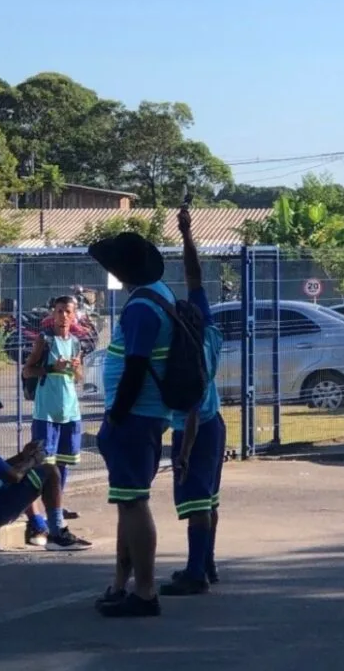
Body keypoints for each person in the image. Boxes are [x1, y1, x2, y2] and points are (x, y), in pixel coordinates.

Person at [88, 232, 176, 618]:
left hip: (136, 416)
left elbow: (137, 366)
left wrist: (117, 413)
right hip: (144, 415)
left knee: (134, 500)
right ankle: (123, 583)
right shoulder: (158, 293)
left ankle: (144, 591)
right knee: (127, 500)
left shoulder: (142, 307)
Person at [161, 208, 226, 596]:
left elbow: (188, 406)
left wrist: (181, 453)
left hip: (195, 428)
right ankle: (207, 562)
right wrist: (187, 234)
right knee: (210, 498)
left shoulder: (187, 353)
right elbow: (195, 277)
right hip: (215, 423)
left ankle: (194, 572)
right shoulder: (211, 332)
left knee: (195, 500)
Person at [0, 393, 91, 550]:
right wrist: (33, 460)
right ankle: (56, 534)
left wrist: (22, 456)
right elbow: (13, 476)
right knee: (49, 471)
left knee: (33, 474)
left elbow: (0, 468)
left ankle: (39, 525)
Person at [23, 295, 84, 522]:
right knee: (43, 465)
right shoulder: (45, 340)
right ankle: (38, 515)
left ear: (75, 314)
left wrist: (76, 368)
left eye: (68, 311)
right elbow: (27, 371)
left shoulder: (76, 343)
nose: (64, 316)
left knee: (64, 462)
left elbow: (78, 377)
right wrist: (50, 368)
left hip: (69, 410)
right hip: (46, 412)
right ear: (52, 314)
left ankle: (57, 506)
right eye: (59, 311)